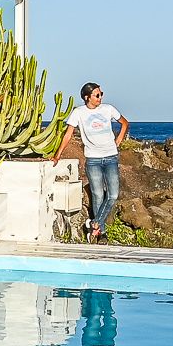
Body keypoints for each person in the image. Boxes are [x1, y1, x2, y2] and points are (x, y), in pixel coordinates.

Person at [56, 82, 129, 241]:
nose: (100, 97)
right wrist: (58, 155)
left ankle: (94, 223)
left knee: (113, 194)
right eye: (97, 95)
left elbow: (124, 123)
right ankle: (100, 232)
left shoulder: (108, 109)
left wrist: (119, 139)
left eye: (101, 94)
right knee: (97, 195)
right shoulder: (78, 113)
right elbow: (68, 134)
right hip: (93, 159)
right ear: (87, 97)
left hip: (110, 157)